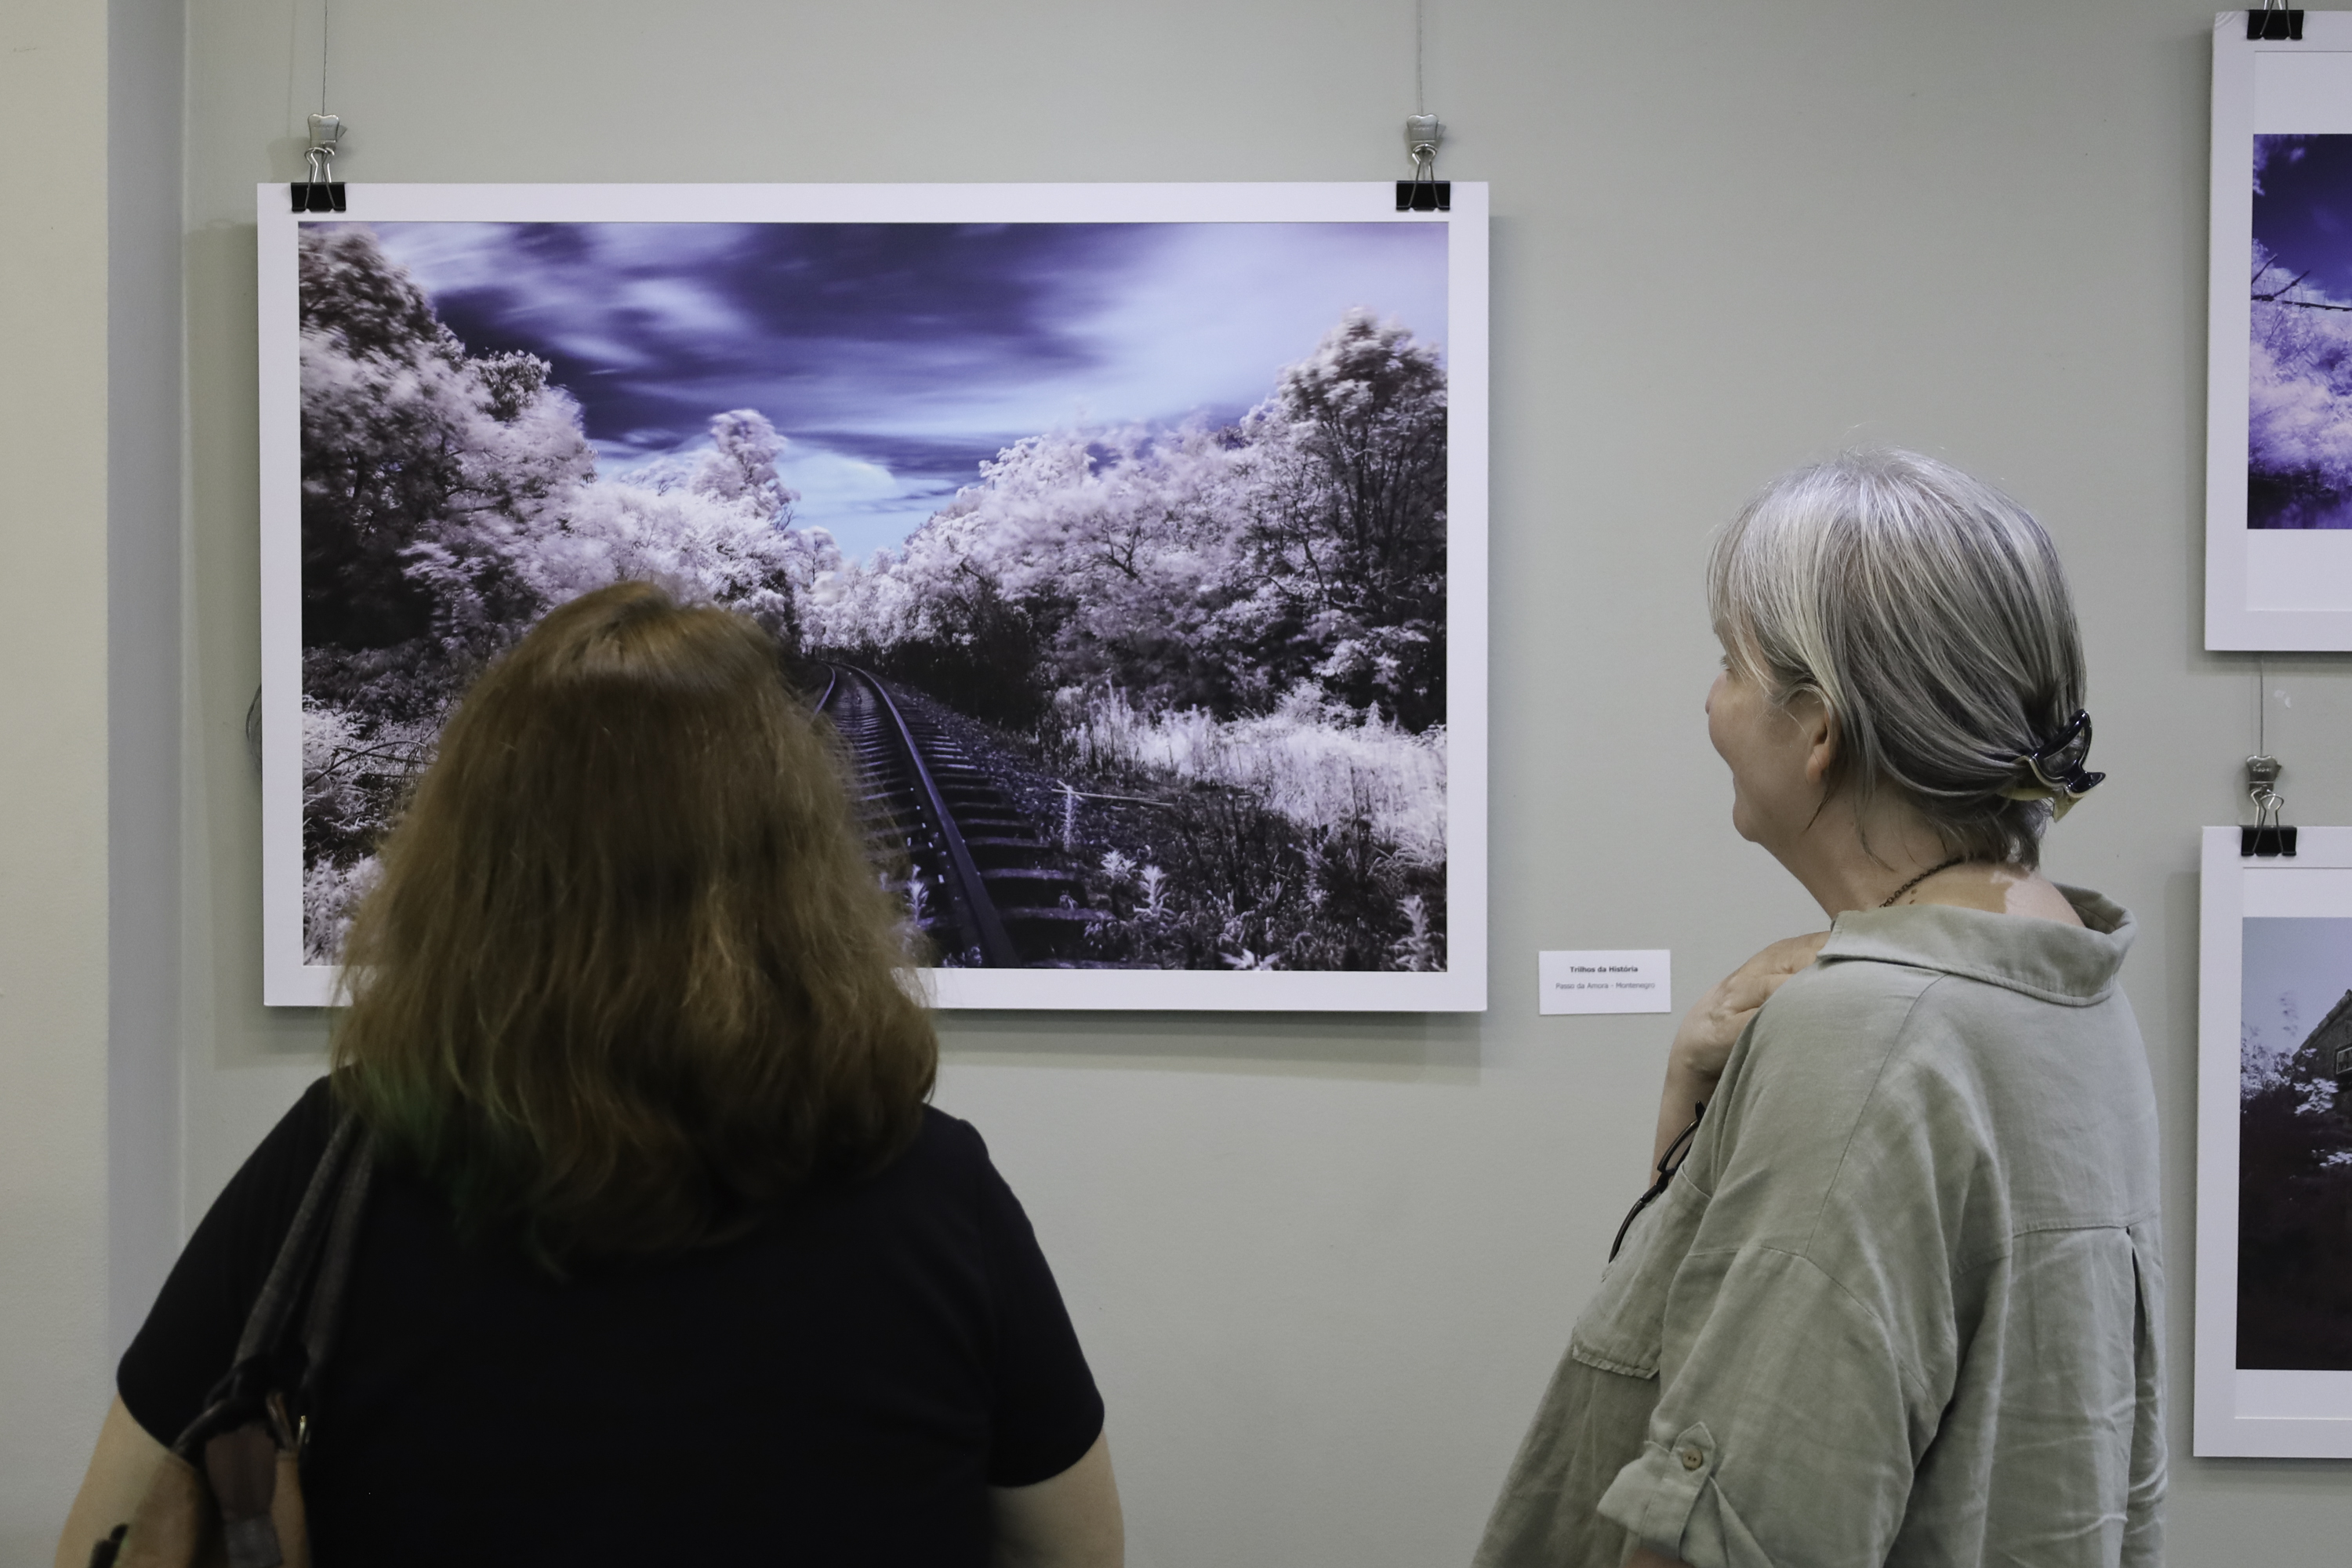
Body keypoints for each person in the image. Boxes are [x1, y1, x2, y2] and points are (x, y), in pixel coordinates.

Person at [56, 583, 1123, 1568]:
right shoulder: (929, 1185)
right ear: (795, 865)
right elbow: (1079, 1553)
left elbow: (107, 1536)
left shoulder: (340, 1157)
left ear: (472, 861)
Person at [1477, 450, 2162, 1568]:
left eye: (1728, 662)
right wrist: (1694, 1108)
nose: (1710, 701)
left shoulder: (1869, 1036)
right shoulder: (2060, 968)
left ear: (1818, 730)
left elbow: (1739, 1531)